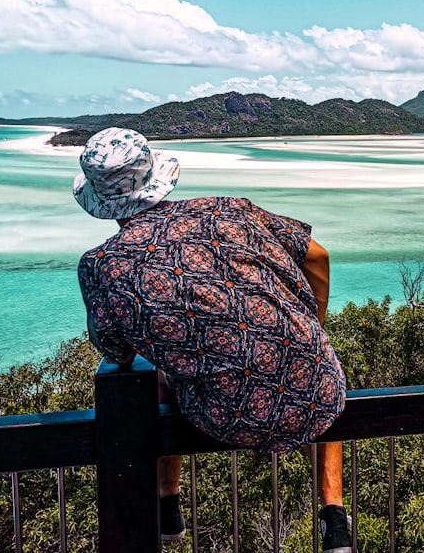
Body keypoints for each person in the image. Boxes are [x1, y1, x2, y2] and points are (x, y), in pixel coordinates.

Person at [73, 127, 352, 552]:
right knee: (316, 354)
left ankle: (168, 502)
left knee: (162, 372)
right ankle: (335, 518)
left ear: (100, 199)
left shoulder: (101, 266)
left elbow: (118, 354)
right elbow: (317, 255)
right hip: (314, 390)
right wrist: (315, 320)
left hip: (223, 416)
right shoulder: (228, 210)